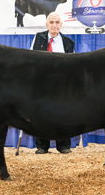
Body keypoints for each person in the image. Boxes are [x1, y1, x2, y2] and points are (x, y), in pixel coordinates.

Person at [30, 12, 74, 154]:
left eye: (57, 22)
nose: (54, 25)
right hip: (42, 83)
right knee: (41, 113)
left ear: (61, 25)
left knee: (63, 113)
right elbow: (31, 59)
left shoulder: (68, 43)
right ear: (47, 24)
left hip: (61, 84)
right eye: (52, 22)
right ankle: (42, 146)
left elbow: (73, 64)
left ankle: (63, 145)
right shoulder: (38, 38)